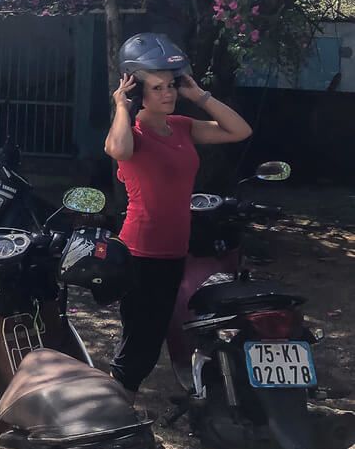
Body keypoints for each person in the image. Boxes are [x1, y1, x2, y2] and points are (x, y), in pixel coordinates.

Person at [103, 33, 252, 404]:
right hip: (140, 253)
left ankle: (120, 407)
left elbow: (240, 131)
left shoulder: (182, 126)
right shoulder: (133, 133)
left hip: (173, 251)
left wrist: (199, 96)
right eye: (158, 87)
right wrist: (121, 106)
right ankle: (116, 412)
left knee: (156, 335)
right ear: (138, 91)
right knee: (141, 342)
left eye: (171, 86)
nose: (168, 94)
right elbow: (117, 149)